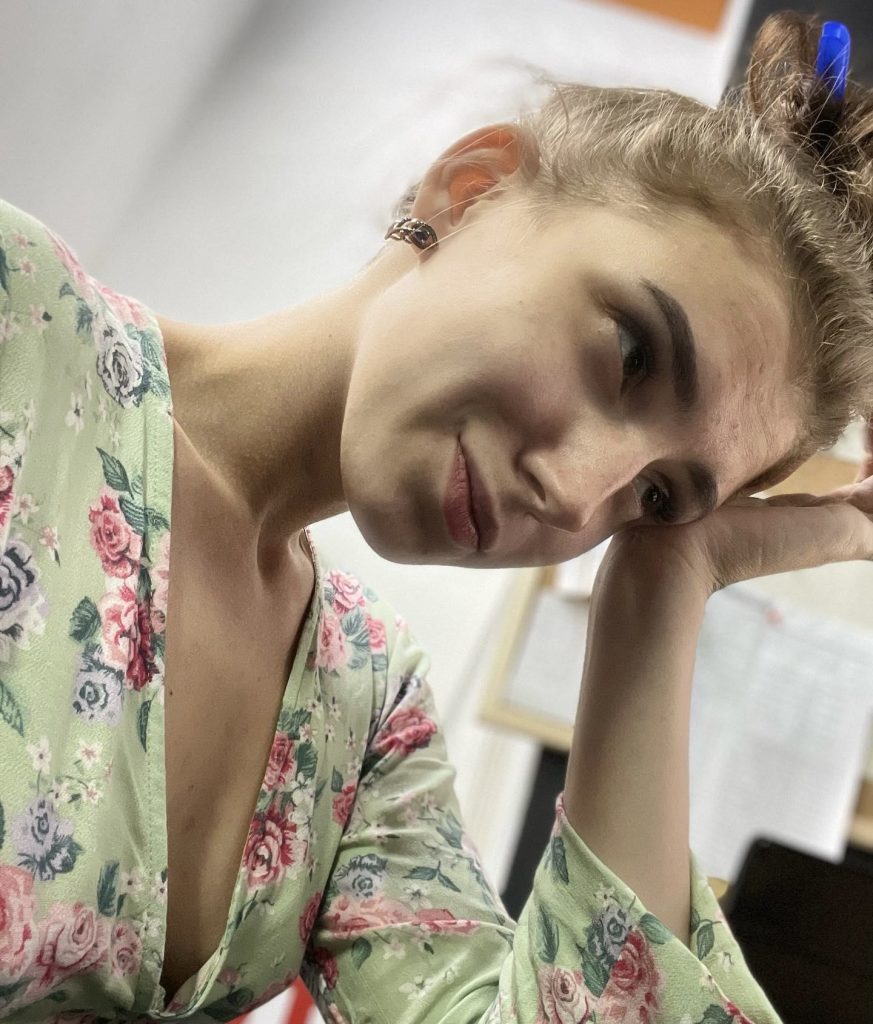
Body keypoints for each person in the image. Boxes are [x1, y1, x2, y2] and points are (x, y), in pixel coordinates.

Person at [1, 9, 872, 1023]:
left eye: (657, 496)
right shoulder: (22, 327)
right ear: (474, 190)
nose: (577, 494)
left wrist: (664, 586)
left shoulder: (361, 714)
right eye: (629, 353)